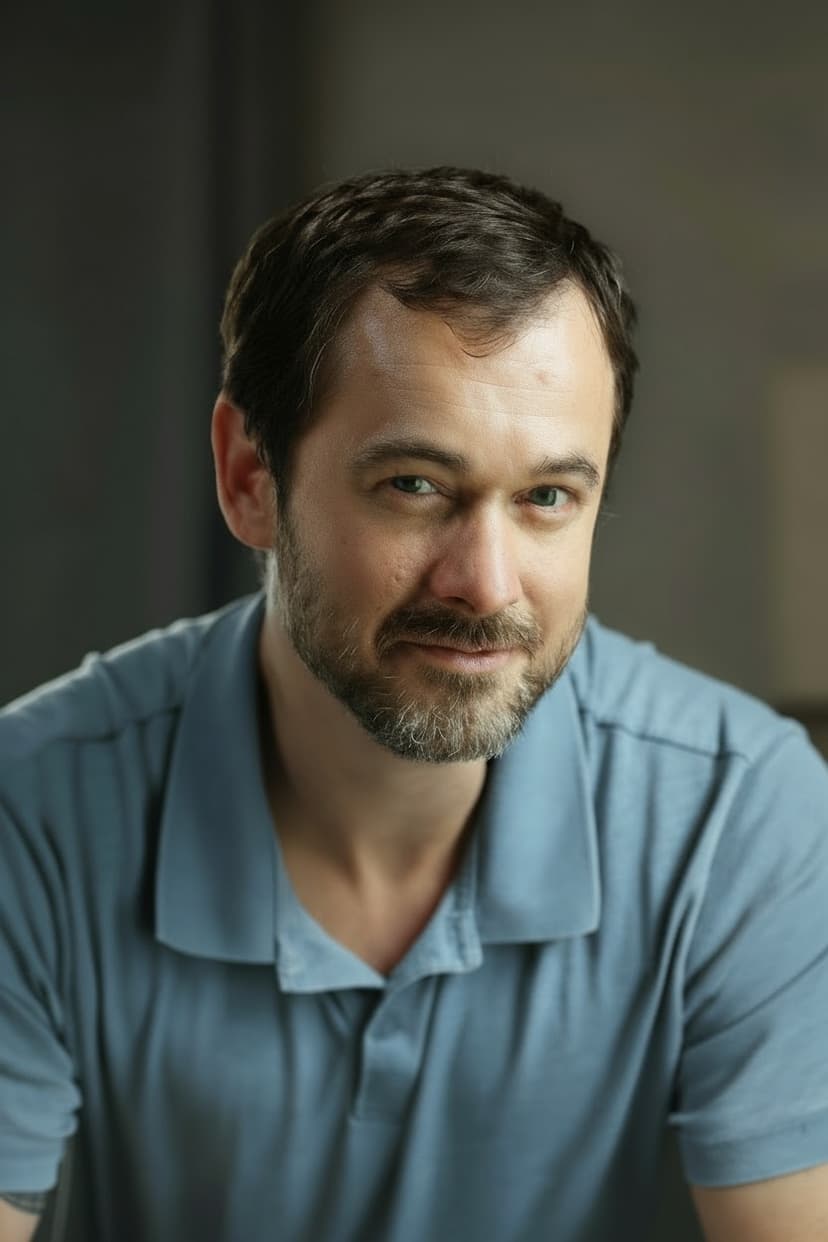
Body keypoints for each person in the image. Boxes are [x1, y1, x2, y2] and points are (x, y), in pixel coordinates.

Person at [1, 167, 827, 1242]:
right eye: (415, 487)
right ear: (250, 476)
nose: (484, 585)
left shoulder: (741, 818)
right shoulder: (30, 814)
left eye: (545, 499)